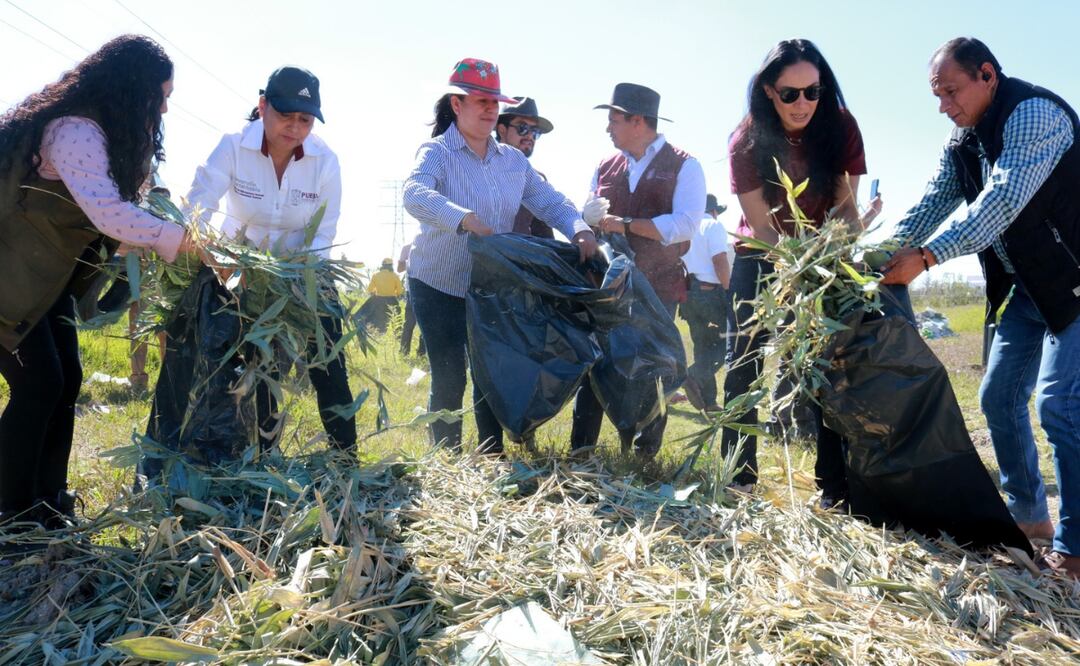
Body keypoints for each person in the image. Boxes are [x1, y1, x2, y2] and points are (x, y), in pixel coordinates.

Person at [881, 37, 1080, 577]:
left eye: (951, 91)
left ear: (987, 75)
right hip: (1028, 287)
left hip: (1076, 278)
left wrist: (926, 257)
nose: (944, 104)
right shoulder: (964, 137)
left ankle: (1076, 547)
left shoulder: (1034, 114)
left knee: (1059, 406)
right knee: (997, 396)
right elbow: (937, 199)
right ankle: (1028, 515)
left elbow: (1003, 201)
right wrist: (877, 255)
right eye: (937, 95)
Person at [0, 35, 198, 527]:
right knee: (40, 384)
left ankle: (46, 503)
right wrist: (179, 240)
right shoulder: (75, 132)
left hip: (40, 282)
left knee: (65, 380)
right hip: (8, 277)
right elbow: (110, 213)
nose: (166, 108)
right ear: (132, 88)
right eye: (161, 95)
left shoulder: (107, 136)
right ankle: (11, 510)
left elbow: (118, 212)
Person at [402, 58, 599, 454]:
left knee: (490, 372)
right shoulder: (438, 152)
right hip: (437, 282)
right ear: (457, 105)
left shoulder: (513, 162)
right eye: (481, 101)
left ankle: (491, 455)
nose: (491, 109)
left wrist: (577, 226)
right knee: (449, 375)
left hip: (489, 286)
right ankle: (447, 459)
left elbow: (550, 201)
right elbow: (414, 194)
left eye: (494, 102)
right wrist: (462, 218)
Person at [721, 39, 879, 504]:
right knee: (745, 363)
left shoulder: (841, 126)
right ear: (769, 91)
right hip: (762, 253)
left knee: (825, 363)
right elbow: (764, 226)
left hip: (822, 255)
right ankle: (739, 479)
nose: (803, 103)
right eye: (790, 93)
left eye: (813, 91)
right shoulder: (745, 140)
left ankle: (835, 486)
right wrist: (793, 266)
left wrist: (826, 257)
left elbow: (845, 209)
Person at [184, 66, 357, 453]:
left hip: (302, 272)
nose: (295, 128)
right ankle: (236, 451)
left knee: (329, 358)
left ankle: (346, 457)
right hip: (234, 271)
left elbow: (324, 230)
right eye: (285, 116)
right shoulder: (232, 147)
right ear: (262, 107)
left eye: (305, 119)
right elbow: (199, 204)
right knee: (243, 361)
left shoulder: (325, 162)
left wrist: (300, 279)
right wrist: (209, 252)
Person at [571, 82, 705, 459]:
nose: (607, 128)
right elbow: (589, 215)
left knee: (655, 370)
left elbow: (684, 225)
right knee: (596, 364)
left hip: (659, 286)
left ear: (638, 121)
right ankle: (582, 450)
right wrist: (589, 216)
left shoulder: (684, 165)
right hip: (609, 285)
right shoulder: (605, 165)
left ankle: (643, 456)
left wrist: (623, 223)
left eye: (613, 119)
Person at [679, 194, 733, 412]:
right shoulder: (713, 226)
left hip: (688, 293)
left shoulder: (686, 229)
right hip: (710, 294)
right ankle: (693, 375)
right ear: (714, 211)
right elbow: (719, 261)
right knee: (725, 345)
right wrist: (730, 291)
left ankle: (709, 402)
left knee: (702, 346)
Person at [494, 97, 555, 238]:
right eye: (522, 128)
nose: (529, 136)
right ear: (502, 130)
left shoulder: (537, 179)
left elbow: (545, 239)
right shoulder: (477, 169)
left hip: (517, 259)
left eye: (534, 131)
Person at [361, 257, 404, 332]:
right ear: (391, 266)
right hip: (392, 300)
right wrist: (396, 294)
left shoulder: (376, 275)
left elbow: (369, 289)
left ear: (382, 265)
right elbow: (400, 291)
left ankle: (375, 334)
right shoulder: (395, 276)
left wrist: (376, 291)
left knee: (378, 320)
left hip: (379, 300)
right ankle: (398, 337)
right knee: (396, 320)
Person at [397, 239, 425, 357]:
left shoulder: (432, 243)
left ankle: (421, 352)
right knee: (411, 323)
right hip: (413, 290)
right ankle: (405, 352)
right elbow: (399, 268)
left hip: (427, 289)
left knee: (423, 324)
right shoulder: (408, 247)